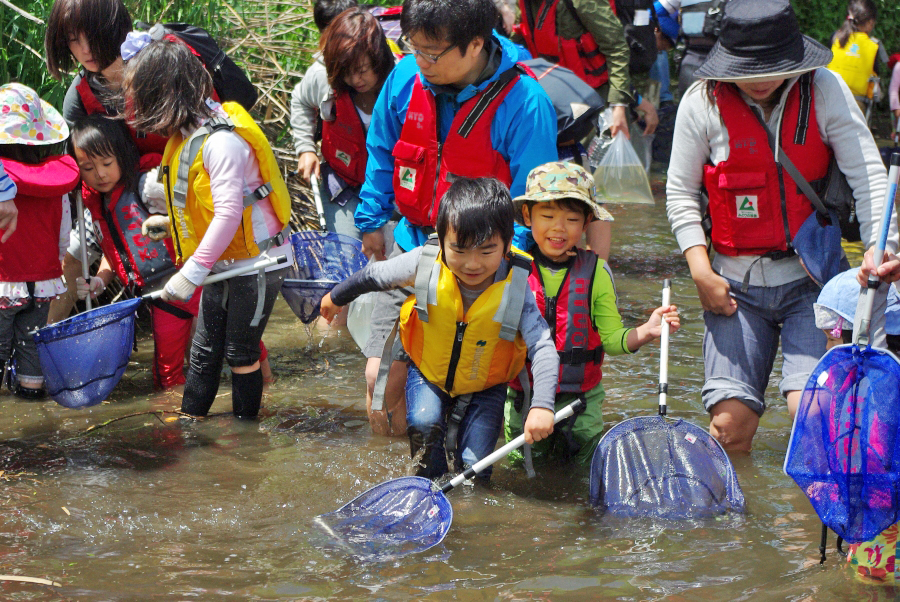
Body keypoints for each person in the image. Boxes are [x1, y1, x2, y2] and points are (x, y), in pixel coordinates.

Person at [665, 0, 896, 453]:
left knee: (813, 413)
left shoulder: (824, 88)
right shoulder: (702, 100)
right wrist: (699, 269)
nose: (762, 78)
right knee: (729, 427)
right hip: (732, 285)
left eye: (773, 66)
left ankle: (799, 521)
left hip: (813, 281)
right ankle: (736, 522)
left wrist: (880, 249)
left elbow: (871, 179)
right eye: (749, 69)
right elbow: (679, 193)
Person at [353, 0, 557, 437]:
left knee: (470, 383)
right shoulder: (405, 77)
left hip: (484, 270)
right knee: (380, 381)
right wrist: (371, 219)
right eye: (414, 48)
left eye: (433, 53)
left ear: (476, 44)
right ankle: (411, 483)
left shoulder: (525, 102)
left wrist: (495, 271)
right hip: (414, 247)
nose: (420, 62)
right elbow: (382, 151)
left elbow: (533, 204)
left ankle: (466, 483)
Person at [321, 177, 559, 481]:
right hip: (429, 373)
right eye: (459, 250)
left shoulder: (517, 285)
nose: (472, 264)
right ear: (441, 238)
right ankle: (426, 488)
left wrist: (542, 406)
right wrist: (335, 297)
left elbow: (542, 347)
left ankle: (470, 516)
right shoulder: (424, 263)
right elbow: (375, 275)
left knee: (475, 468)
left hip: (486, 386)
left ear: (508, 244)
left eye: (486, 251)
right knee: (423, 423)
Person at [122, 39, 293, 419]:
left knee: (241, 352)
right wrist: (170, 225)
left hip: (259, 262)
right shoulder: (188, 136)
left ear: (165, 94)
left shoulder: (222, 142)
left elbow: (231, 213)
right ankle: (190, 425)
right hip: (224, 260)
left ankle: (248, 441)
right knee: (203, 351)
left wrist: (192, 271)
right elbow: (209, 206)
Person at [504, 162, 680, 466]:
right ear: (527, 216)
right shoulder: (511, 268)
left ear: (586, 224)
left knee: (581, 475)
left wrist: (648, 330)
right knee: (524, 471)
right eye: (547, 216)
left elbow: (612, 340)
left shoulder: (596, 272)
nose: (559, 228)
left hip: (581, 402)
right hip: (524, 398)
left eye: (572, 219)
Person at [69, 115, 202, 389]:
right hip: (162, 297)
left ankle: (267, 388)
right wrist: (100, 280)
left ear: (122, 156)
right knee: (166, 374)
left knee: (239, 349)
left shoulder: (146, 187)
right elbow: (117, 251)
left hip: (195, 281)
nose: (100, 174)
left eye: (107, 164)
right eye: (88, 168)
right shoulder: (98, 205)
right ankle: (180, 425)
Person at [0, 84, 78, 399]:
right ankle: (32, 395)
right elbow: (63, 239)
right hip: (43, 284)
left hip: (4, 283)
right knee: (31, 349)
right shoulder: (55, 182)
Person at [297, 7, 397, 240]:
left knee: (388, 261)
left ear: (378, 59)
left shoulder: (401, 88)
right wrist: (305, 148)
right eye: (346, 73)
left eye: (361, 71)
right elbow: (300, 100)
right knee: (347, 254)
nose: (354, 80)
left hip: (391, 193)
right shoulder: (323, 78)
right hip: (342, 186)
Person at [290, 0, 359, 183]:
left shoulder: (385, 66)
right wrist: (306, 148)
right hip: (343, 175)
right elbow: (301, 100)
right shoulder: (320, 74)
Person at [826, 0, 888, 118]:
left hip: (828, 100)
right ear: (870, 23)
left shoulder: (835, 37)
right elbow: (875, 74)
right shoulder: (873, 46)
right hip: (856, 106)